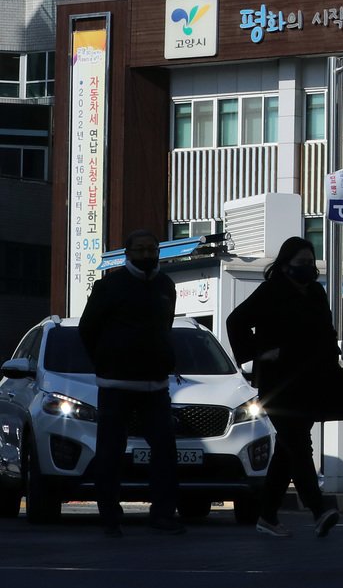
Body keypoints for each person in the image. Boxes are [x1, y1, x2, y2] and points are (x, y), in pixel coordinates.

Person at [227, 236, 343, 538]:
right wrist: (257, 352)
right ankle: (318, 509)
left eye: (310, 262)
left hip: (309, 380)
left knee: (288, 448)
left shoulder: (316, 292)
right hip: (278, 383)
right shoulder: (272, 291)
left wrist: (333, 362)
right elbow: (236, 321)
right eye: (300, 263)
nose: (307, 269)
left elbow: (326, 331)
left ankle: (266, 515)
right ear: (285, 265)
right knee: (299, 445)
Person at [79, 229, 184, 537]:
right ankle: (110, 516)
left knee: (165, 450)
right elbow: (87, 329)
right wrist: (106, 361)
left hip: (156, 385)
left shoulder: (166, 285)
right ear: (127, 253)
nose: (147, 255)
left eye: (152, 249)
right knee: (111, 451)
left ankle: (163, 513)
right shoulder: (109, 286)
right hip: (115, 383)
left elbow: (166, 326)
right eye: (140, 250)